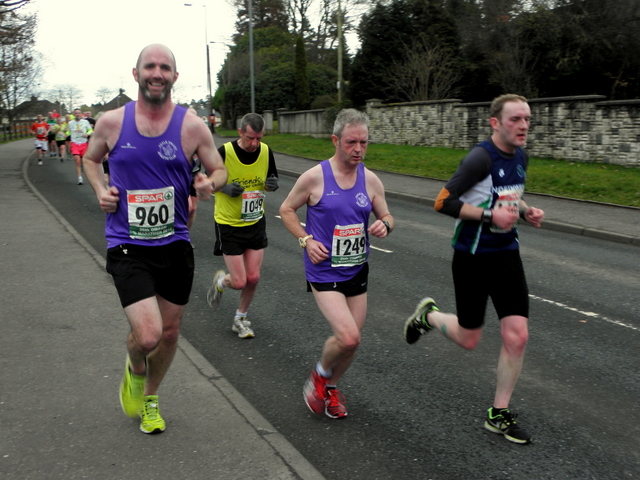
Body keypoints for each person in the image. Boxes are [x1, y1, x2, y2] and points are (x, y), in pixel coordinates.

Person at [82, 43, 227, 434]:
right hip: (127, 243)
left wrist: (208, 182)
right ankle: (134, 366)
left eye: (165, 67)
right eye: (150, 66)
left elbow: (220, 169)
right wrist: (99, 189)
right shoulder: (111, 122)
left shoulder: (192, 127)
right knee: (147, 335)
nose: (157, 73)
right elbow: (91, 160)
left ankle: (150, 398)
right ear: (136, 74)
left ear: (175, 77)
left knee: (170, 332)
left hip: (175, 243)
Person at [403, 94, 545, 445]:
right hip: (472, 256)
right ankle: (428, 316)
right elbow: (442, 201)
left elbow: (509, 195)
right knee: (470, 338)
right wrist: (488, 216)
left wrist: (526, 211)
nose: (524, 125)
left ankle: (498, 413)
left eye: (527, 119)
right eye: (516, 119)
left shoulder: (521, 155)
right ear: (495, 122)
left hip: (507, 253)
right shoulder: (480, 158)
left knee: (518, 335)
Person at [279, 109, 394, 419]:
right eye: (351, 142)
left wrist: (385, 224)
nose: (358, 149)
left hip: (357, 268)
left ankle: (330, 388)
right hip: (324, 270)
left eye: (364, 143)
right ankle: (318, 375)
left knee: (351, 343)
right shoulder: (315, 177)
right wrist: (306, 240)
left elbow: (387, 215)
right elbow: (287, 209)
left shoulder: (370, 179)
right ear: (335, 140)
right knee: (348, 336)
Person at [206, 113, 279, 339]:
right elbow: (204, 182)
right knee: (239, 282)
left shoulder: (266, 152)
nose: (255, 144)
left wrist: (272, 185)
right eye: (250, 138)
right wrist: (223, 187)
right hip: (229, 224)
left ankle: (240, 318)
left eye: (259, 138)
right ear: (240, 133)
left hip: (255, 220)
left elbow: (271, 179)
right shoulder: (224, 152)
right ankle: (221, 281)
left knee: (254, 277)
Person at [67, 108, 92, 184]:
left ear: (81, 114)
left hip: (84, 143)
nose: (77, 114)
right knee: (77, 160)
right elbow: (69, 131)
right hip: (75, 143)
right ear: (74, 114)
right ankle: (80, 178)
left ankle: (86, 172)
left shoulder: (85, 122)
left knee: (83, 161)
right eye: (76, 113)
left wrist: (87, 134)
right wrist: (66, 134)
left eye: (79, 113)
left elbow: (91, 130)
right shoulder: (70, 123)